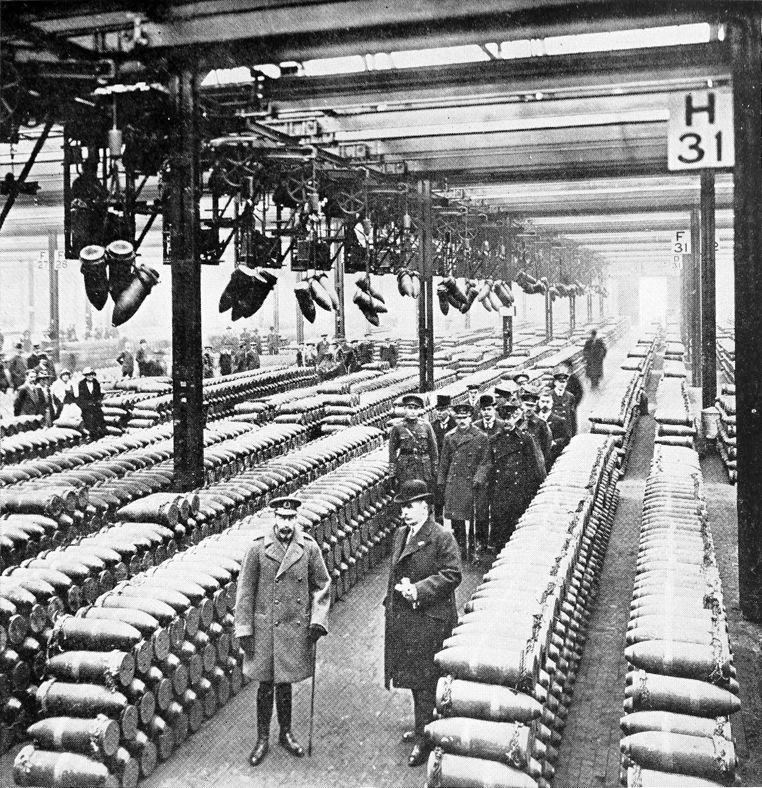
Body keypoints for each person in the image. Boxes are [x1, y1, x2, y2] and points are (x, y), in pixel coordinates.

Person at [234, 496, 331, 767]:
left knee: (285, 683)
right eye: (281, 518)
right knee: (265, 685)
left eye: (290, 518)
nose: (286, 524)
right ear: (274, 518)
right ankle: (262, 738)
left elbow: (322, 585)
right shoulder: (257, 548)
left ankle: (285, 734)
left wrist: (318, 620)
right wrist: (244, 629)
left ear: (296, 519)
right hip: (265, 628)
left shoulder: (308, 547)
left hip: (293, 627)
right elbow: (245, 592)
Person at [384, 479, 462, 768]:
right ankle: (422, 728)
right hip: (407, 618)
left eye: (410, 506)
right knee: (415, 679)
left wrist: (418, 590)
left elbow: (453, 574)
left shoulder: (441, 536)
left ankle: (425, 737)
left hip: (429, 621)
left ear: (426, 507)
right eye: (402, 507)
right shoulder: (401, 534)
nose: (404, 512)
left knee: (425, 681)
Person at [437, 403, 491, 562]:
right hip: (455, 482)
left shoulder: (481, 436)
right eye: (458, 418)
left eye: (465, 417)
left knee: (475, 518)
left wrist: (479, 477)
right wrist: (441, 482)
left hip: (473, 483)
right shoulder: (449, 437)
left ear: (471, 418)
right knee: (457, 519)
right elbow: (444, 462)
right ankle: (459, 550)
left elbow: (486, 461)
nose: (461, 421)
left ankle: (475, 550)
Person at [490, 398, 546, 550]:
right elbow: (490, 465)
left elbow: (533, 465)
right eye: (504, 418)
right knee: (500, 523)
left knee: (516, 522)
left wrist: (535, 488)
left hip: (519, 488)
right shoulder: (494, 440)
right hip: (500, 489)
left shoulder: (525, 439)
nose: (507, 422)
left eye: (510, 418)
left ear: (516, 418)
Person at [388, 394, 439, 490]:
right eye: (410, 408)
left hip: (423, 468)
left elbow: (433, 450)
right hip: (405, 468)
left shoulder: (426, 426)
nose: (413, 411)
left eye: (415, 409)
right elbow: (392, 452)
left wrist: (435, 471)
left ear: (419, 410)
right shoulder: (398, 427)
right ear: (404, 409)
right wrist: (392, 474)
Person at [430, 395, 456, 522]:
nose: (439, 413)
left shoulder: (455, 425)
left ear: (449, 410)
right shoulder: (432, 426)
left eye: (442, 410)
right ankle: (439, 525)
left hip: (453, 467)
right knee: (438, 500)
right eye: (437, 410)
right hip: (439, 468)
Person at [520, 386, 553, 472]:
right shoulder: (517, 422)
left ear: (535, 407)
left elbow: (546, 447)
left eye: (531, 406)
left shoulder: (542, 424)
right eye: (527, 405)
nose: (529, 408)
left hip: (535, 466)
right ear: (522, 405)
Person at [538, 386, 571, 469]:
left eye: (547, 402)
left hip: (552, 455)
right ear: (538, 403)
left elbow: (566, 438)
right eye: (542, 401)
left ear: (552, 404)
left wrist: (555, 442)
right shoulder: (535, 419)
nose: (545, 404)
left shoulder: (559, 420)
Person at [77, 367, 107, 438]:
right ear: (85, 376)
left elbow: (98, 394)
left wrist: (97, 401)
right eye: (89, 375)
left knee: (99, 417)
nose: (91, 376)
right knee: (89, 419)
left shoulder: (96, 383)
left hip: (95, 405)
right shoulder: (81, 384)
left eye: (92, 375)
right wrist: (87, 404)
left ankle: (101, 432)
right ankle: (91, 434)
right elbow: (81, 397)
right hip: (86, 406)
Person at [551, 369, 578, 437]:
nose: (562, 384)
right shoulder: (549, 395)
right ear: (555, 383)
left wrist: (573, 433)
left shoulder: (570, 396)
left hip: (565, 430)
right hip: (552, 429)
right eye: (560, 382)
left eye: (564, 382)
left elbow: (573, 416)